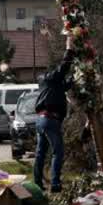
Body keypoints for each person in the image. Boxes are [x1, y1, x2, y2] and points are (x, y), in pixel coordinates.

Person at [32, 46, 75, 193]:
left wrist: (75, 78)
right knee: (58, 151)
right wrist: (69, 51)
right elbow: (62, 69)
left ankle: (37, 183)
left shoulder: (50, 84)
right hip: (50, 120)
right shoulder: (50, 77)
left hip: (41, 120)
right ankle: (55, 184)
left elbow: (64, 85)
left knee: (41, 153)